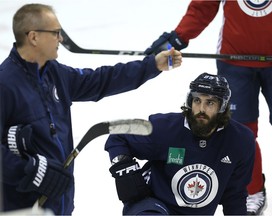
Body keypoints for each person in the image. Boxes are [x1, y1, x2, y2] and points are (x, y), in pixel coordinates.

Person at [0, 3, 182, 215]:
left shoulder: (54, 74)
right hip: (23, 206)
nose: (60, 39)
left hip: (59, 203)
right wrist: (30, 171)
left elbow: (100, 80)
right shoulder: (5, 84)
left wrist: (151, 66)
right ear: (33, 37)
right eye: (56, 33)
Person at [143, 1, 272, 214]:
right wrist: (179, 37)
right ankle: (251, 192)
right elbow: (204, 5)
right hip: (235, 61)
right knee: (241, 134)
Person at [105, 72, 255, 215]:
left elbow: (234, 195)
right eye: (197, 100)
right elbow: (118, 137)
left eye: (210, 102)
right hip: (152, 204)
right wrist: (124, 169)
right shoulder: (164, 128)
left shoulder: (240, 140)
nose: (201, 109)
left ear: (222, 107)